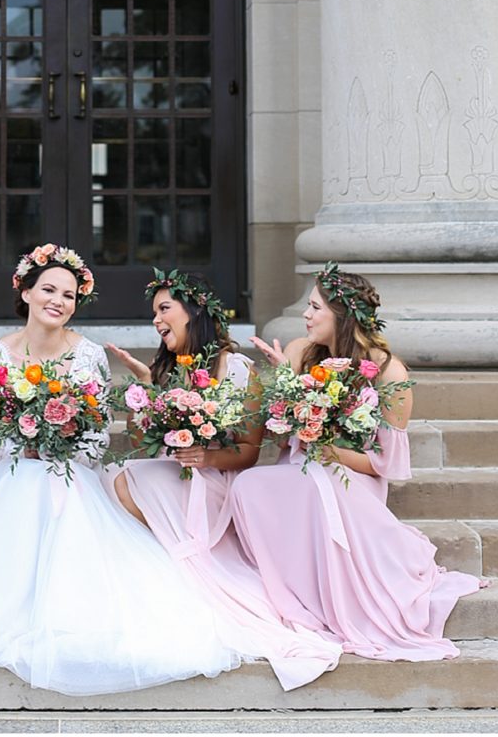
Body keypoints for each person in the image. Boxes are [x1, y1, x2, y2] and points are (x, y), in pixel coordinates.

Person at [0, 244, 244, 694]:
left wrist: (59, 444)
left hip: (71, 471)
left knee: (54, 493)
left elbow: (99, 436)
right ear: (24, 291)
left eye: (69, 295)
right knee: (24, 486)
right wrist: (28, 443)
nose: (58, 301)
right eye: (48, 290)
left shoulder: (88, 356)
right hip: (14, 472)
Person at [229, 262, 485, 660]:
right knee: (247, 486)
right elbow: (279, 436)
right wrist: (285, 387)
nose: (306, 315)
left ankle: (338, 597)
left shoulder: (387, 372)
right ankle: (293, 591)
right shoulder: (300, 352)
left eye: (316, 308)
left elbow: (386, 464)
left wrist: (331, 450)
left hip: (352, 479)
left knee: (323, 480)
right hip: (300, 468)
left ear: (342, 316)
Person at [104, 270, 341, 690]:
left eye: (164, 309)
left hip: (214, 481)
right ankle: (160, 579)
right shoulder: (167, 368)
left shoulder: (237, 371)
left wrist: (206, 456)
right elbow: (141, 443)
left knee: (128, 481)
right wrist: (143, 392)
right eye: (154, 312)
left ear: (194, 313)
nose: (156, 321)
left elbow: (249, 453)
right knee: (115, 478)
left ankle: (184, 575)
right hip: (171, 473)